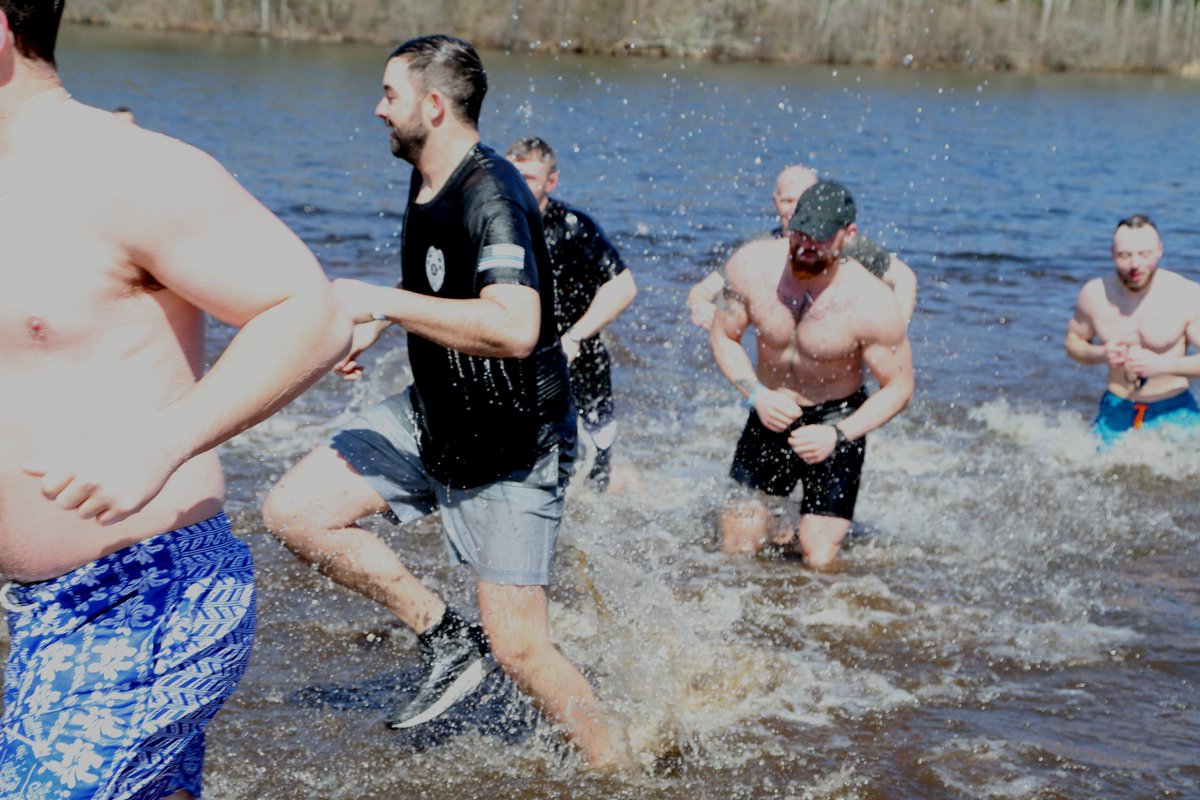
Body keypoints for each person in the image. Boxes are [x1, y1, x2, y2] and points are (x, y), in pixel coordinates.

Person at [0, 3, 353, 798]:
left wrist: (160, 443)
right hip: (38, 614)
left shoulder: (129, 171)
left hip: (148, 591)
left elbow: (310, 311)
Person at [262, 35, 629, 768]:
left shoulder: (492, 193)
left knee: (522, 652)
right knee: (294, 513)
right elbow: (443, 283)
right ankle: (447, 637)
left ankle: (617, 767)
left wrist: (385, 302)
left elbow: (516, 327)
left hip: (513, 445)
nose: (377, 109)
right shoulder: (427, 173)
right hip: (433, 418)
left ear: (433, 105)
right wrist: (375, 324)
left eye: (389, 94)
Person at [711, 180, 913, 568]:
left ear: (848, 236)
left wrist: (838, 434)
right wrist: (756, 394)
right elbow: (724, 336)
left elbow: (900, 387)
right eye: (800, 233)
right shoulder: (751, 267)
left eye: (819, 237)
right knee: (737, 548)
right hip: (770, 408)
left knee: (818, 557)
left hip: (838, 419)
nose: (806, 245)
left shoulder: (872, 302)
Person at [505, 136, 637, 492]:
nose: (517, 184)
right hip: (524, 361)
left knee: (595, 469)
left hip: (582, 360)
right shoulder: (495, 224)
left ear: (551, 182)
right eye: (512, 174)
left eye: (528, 177)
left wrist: (575, 337)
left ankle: (617, 490)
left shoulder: (573, 226)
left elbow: (624, 286)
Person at [688, 164, 917, 330]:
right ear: (775, 202)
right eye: (787, 201)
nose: (796, 211)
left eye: (803, 201)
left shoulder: (843, 245)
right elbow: (704, 289)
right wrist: (701, 306)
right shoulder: (759, 249)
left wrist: (896, 330)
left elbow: (904, 278)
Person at [1065, 214, 1200, 445]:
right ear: (1112, 253)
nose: (1135, 264)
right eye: (1125, 255)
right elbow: (1073, 343)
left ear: (1159, 251)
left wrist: (1162, 365)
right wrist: (1099, 353)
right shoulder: (1095, 294)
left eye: (1144, 254)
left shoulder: (1186, 295)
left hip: (1175, 409)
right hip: (1118, 407)